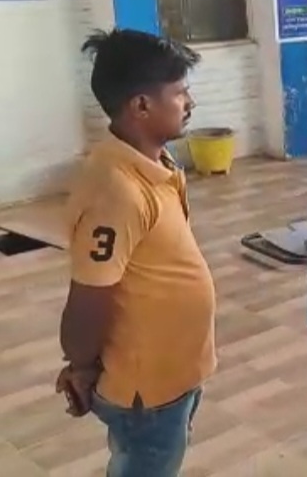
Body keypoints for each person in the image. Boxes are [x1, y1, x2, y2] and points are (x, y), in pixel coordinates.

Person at [56, 29, 213, 477]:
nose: (190, 102)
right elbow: (89, 298)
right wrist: (80, 364)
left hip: (174, 372)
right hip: (147, 391)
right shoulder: (116, 191)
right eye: (179, 93)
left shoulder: (156, 164)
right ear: (141, 105)